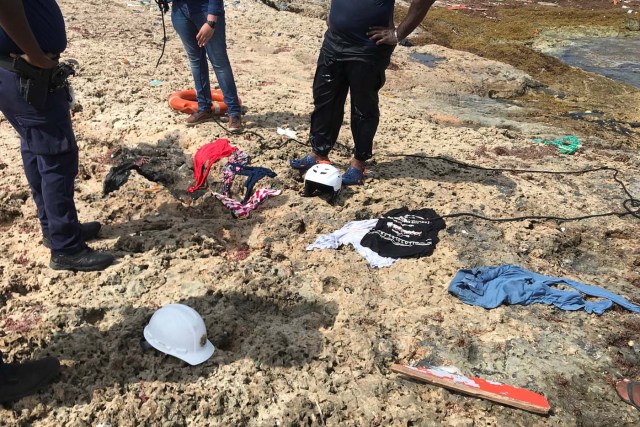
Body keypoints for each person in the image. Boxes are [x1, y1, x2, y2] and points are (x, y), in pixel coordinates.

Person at [0, 0, 114, 272]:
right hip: (26, 71)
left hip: (17, 69)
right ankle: (66, 247)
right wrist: (38, 57)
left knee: (36, 149)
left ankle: (55, 229)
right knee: (56, 155)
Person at [290, 0, 436, 185]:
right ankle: (319, 152)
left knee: (363, 107)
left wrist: (398, 34)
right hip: (334, 40)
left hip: (368, 48)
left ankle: (358, 163)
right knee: (325, 99)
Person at [171, 0, 243, 131]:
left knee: (219, 61)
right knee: (195, 60)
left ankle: (234, 112)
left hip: (205, 10)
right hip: (179, 10)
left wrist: (211, 21)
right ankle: (204, 108)